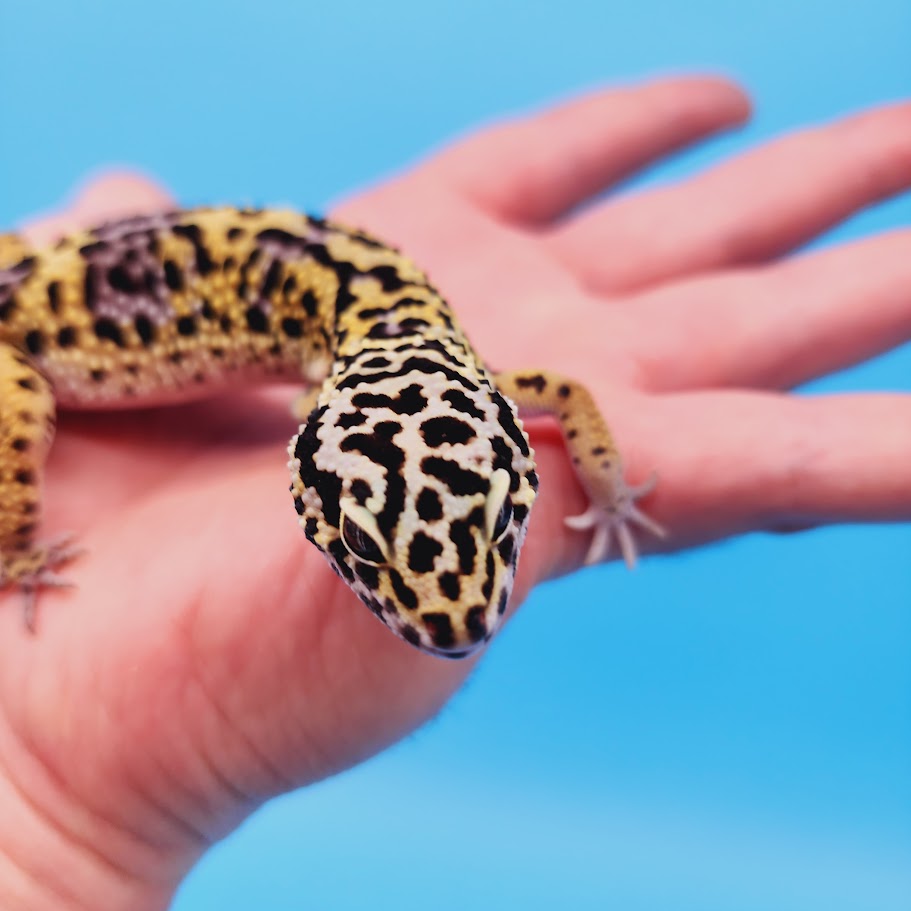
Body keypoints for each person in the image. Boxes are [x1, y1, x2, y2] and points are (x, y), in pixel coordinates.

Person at [1, 75, 908, 910]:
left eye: (492, 530)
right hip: (37, 326)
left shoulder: (440, 384)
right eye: (370, 553)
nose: (462, 614)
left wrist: (608, 486)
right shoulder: (399, 387)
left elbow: (566, 399)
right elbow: (552, 397)